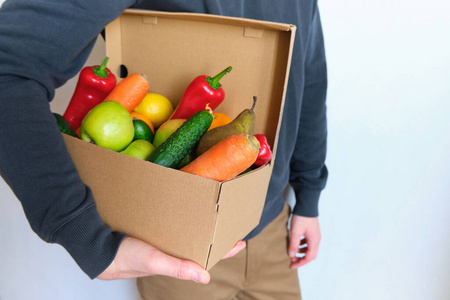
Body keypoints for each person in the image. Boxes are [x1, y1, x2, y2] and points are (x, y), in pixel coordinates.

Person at [0, 0, 328, 299]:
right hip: (176, 244)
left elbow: (307, 76)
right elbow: (8, 66)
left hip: (271, 225)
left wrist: (308, 195)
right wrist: (86, 238)